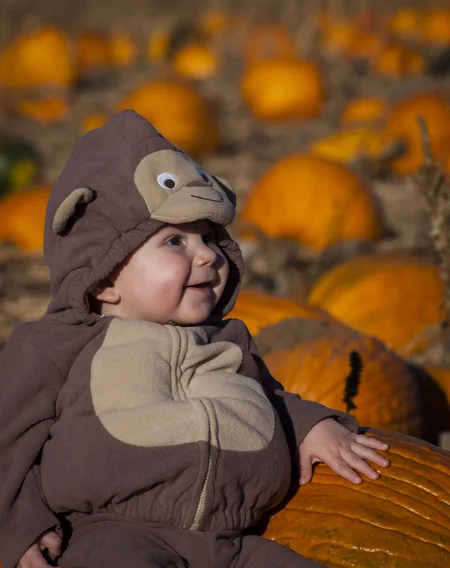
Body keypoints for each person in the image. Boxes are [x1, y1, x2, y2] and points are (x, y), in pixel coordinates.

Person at [0, 110, 389, 568]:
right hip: (115, 535)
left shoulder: (228, 339)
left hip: (232, 539)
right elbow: (7, 438)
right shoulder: (57, 346)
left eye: (209, 236)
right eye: (174, 242)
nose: (207, 254)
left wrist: (310, 425)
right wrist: (19, 527)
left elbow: (268, 400)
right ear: (104, 276)